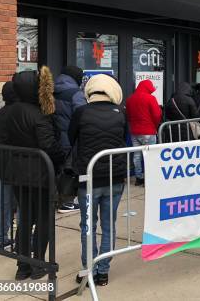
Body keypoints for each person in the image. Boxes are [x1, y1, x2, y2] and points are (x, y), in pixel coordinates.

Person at [0, 67, 64, 280]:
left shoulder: (6, 113)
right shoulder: (38, 113)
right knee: (43, 219)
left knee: (24, 218)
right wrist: (61, 158)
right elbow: (49, 145)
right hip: (40, 173)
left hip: (16, 174)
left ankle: (22, 266)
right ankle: (38, 264)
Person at [69, 74, 128, 287]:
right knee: (108, 225)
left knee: (87, 226)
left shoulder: (81, 112)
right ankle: (103, 271)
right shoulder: (121, 112)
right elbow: (126, 139)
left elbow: (71, 138)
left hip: (88, 179)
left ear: (90, 91)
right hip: (115, 178)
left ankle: (89, 269)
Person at [53, 65, 87, 213]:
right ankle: (66, 203)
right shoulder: (76, 94)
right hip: (70, 139)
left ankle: (56, 200)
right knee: (70, 170)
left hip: (54, 138)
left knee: (57, 169)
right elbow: (83, 117)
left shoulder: (51, 91)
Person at [0, 82, 19, 249]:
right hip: (18, 165)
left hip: (1, 164)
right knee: (23, 204)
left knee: (2, 203)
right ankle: (22, 239)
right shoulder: (18, 113)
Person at [126, 80, 162, 186]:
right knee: (150, 156)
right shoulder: (150, 98)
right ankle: (149, 179)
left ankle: (139, 178)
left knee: (137, 156)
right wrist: (155, 126)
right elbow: (157, 115)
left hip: (134, 132)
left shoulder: (130, 99)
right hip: (148, 131)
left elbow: (128, 115)